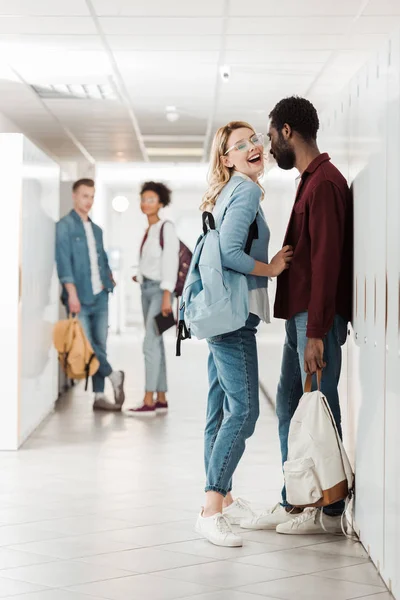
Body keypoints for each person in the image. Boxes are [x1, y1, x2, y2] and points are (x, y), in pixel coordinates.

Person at [241, 96, 353, 535]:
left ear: (288, 130)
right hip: (301, 318)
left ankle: (326, 506)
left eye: (271, 136)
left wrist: (317, 332)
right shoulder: (309, 181)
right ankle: (296, 497)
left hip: (315, 321)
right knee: (291, 403)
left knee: (319, 407)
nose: (269, 147)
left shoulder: (324, 182)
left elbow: (328, 261)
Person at [195, 121, 293, 548]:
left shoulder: (227, 191)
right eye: (241, 144)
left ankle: (225, 499)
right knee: (245, 412)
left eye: (255, 139)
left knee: (219, 413)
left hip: (223, 315)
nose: (254, 147)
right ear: (226, 158)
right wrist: (270, 268)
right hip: (234, 318)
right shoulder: (247, 192)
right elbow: (232, 254)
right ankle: (211, 507)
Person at [55, 178, 125, 412]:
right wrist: (71, 294)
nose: (89, 201)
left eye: (92, 196)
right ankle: (113, 375)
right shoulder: (64, 226)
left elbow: (100, 259)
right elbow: (64, 263)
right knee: (86, 346)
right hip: (79, 297)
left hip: (101, 295)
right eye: (85, 196)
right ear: (74, 196)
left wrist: (108, 277)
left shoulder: (97, 230)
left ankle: (98, 396)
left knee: (100, 346)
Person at [127, 182, 180, 417]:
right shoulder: (149, 230)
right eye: (143, 199)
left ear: (161, 203)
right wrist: (139, 275)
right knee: (156, 342)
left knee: (149, 342)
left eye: (151, 199)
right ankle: (161, 397)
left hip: (160, 292)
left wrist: (167, 295)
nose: (146, 203)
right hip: (146, 290)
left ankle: (148, 399)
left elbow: (170, 262)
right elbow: (152, 262)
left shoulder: (165, 227)